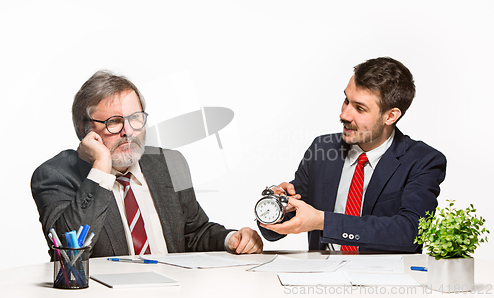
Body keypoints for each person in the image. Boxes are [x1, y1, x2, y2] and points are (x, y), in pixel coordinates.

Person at [32, 70, 263, 258]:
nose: (128, 132)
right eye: (113, 122)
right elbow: (68, 252)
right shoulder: (55, 174)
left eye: (135, 118)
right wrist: (101, 167)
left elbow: (193, 233)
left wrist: (230, 239)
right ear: (84, 130)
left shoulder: (170, 163)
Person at [259, 57, 446, 253]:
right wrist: (276, 207)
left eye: (359, 108)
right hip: (321, 277)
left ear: (390, 116)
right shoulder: (322, 149)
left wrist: (324, 222)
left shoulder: (423, 161)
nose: (345, 115)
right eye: (346, 100)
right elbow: (282, 226)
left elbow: (410, 233)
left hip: (385, 279)